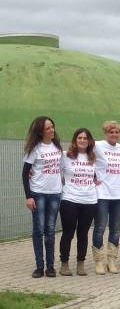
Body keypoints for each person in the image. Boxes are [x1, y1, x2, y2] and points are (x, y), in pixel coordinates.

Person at [22, 116, 63, 278]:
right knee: (39, 230)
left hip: (54, 194)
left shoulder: (57, 146)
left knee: (51, 230)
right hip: (38, 194)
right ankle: (40, 266)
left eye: (52, 127)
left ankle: (50, 267)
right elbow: (25, 174)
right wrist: (28, 197)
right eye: (48, 128)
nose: (51, 130)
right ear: (40, 131)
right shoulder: (35, 149)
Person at [59, 128, 98, 276]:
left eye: (85, 138)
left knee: (83, 234)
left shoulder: (93, 158)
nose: (82, 140)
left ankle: (80, 263)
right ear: (75, 140)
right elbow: (52, 169)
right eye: (79, 138)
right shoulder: (66, 156)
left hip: (89, 200)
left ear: (89, 141)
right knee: (68, 233)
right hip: (70, 199)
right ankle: (64, 264)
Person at [93, 120, 120, 275]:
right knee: (100, 227)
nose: (114, 134)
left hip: (119, 194)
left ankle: (111, 261)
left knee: (115, 229)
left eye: (116, 132)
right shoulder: (97, 145)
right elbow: (84, 158)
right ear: (106, 133)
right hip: (103, 193)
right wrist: (92, 176)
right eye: (111, 132)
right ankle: (99, 261)